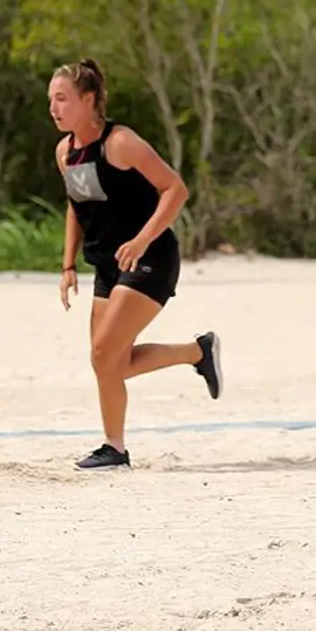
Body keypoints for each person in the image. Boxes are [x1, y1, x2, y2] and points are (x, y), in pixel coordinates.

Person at [49, 59, 223, 469]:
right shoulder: (65, 152)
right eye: (51, 100)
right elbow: (76, 207)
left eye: (62, 99)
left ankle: (116, 448)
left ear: (88, 100)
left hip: (152, 258)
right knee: (110, 362)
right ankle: (196, 353)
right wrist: (68, 265)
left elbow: (175, 189)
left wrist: (143, 239)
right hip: (107, 266)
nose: (54, 108)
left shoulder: (121, 142)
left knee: (103, 353)